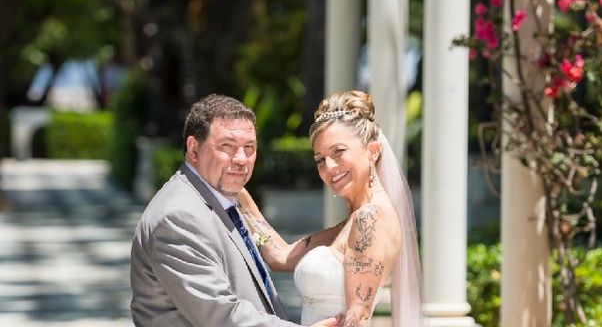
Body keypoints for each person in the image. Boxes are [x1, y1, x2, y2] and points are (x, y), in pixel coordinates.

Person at [130, 93, 340, 327]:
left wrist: (356, 223)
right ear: (193, 149)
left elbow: (280, 254)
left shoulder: (223, 196)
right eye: (227, 146)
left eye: (249, 147)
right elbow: (219, 314)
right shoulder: (179, 217)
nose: (241, 159)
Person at [237, 90, 424, 327]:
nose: (330, 167)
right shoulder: (354, 220)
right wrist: (237, 193)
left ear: (372, 152)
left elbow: (357, 317)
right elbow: (280, 256)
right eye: (320, 159)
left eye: (339, 152)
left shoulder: (370, 219)